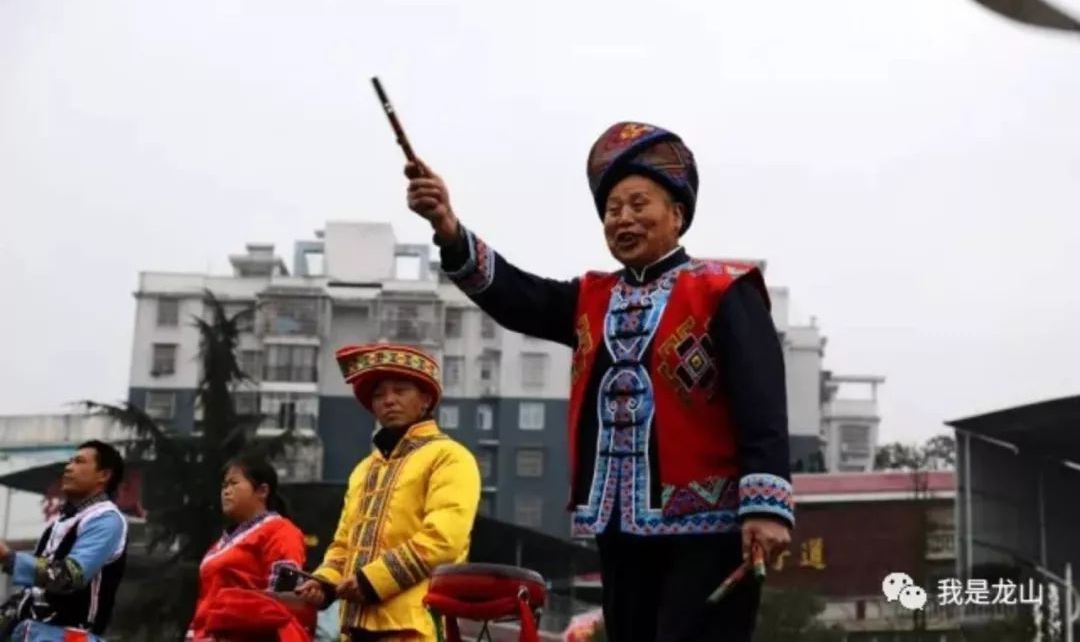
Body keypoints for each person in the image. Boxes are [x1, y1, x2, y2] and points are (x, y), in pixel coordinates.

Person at [404, 122, 795, 642]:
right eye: (613, 209)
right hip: (618, 525)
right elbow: (516, 296)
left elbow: (761, 400)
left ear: (677, 214)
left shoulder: (724, 289)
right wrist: (449, 228)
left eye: (639, 204)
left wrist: (767, 508)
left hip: (710, 527)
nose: (624, 218)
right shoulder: (591, 297)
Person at [295, 343, 481, 642]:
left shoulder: (450, 457)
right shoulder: (364, 469)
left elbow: (443, 540)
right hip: (353, 629)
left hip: (417, 625)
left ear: (426, 399)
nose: (388, 401)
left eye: (400, 390)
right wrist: (325, 582)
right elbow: (343, 544)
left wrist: (371, 581)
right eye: (379, 395)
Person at [0, 440, 128, 642]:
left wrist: (8, 557)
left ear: (104, 475)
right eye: (69, 462)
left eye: (79, 461)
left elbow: (69, 577)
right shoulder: (60, 524)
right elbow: (34, 593)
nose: (68, 467)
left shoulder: (106, 519)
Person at [186, 453, 315, 642]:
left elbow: (283, 601)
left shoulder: (280, 531)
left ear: (262, 490)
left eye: (234, 483)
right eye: (224, 486)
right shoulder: (221, 543)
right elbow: (205, 603)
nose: (226, 491)